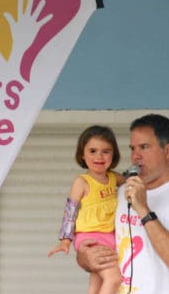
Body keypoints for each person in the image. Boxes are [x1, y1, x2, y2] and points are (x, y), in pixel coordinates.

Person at [77, 114, 169, 294]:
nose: (135, 156)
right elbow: (96, 237)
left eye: (144, 147)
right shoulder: (119, 192)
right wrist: (85, 258)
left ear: (168, 150)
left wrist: (143, 209)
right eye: (133, 148)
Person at [48, 125, 125, 294]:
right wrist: (65, 240)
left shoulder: (113, 178)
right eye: (92, 151)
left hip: (109, 236)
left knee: (96, 282)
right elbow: (71, 211)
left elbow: (130, 180)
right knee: (114, 279)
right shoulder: (82, 182)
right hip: (90, 237)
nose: (99, 156)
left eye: (106, 151)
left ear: (114, 154)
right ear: (82, 154)